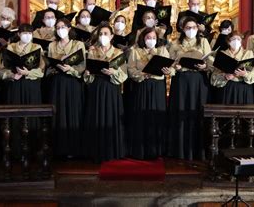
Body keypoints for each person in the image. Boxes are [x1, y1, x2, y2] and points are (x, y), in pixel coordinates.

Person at [167, 16, 212, 161]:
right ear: (182, 29)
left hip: (199, 80)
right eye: (188, 28)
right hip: (181, 81)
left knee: (198, 112)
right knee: (181, 112)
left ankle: (198, 151)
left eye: (193, 28)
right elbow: (170, 62)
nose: (191, 30)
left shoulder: (204, 41)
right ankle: (179, 150)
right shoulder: (175, 44)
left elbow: (210, 61)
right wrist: (176, 66)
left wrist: (205, 66)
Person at [0, 24, 45, 158]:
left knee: (32, 114)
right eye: (24, 33)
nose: (27, 35)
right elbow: (3, 68)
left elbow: (41, 70)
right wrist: (12, 75)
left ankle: (33, 150)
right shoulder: (10, 47)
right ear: (18, 34)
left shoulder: (37, 48)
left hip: (31, 85)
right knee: (15, 113)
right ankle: (15, 150)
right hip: (15, 84)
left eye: (30, 33)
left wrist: (28, 72)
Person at [83, 24, 127, 163]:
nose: (103, 36)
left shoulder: (118, 53)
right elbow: (87, 75)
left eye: (106, 33)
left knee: (111, 116)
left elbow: (124, 74)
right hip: (97, 87)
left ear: (112, 36)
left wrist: (114, 72)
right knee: (96, 116)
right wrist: (88, 73)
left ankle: (113, 150)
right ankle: (95, 151)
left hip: (112, 87)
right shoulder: (92, 52)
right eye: (101, 33)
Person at [127, 27, 173, 160]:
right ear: (143, 39)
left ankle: (156, 150)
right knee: (141, 116)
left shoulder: (162, 50)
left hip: (158, 86)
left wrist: (167, 71)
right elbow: (131, 69)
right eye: (148, 38)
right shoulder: (135, 51)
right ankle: (139, 150)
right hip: (142, 85)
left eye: (153, 38)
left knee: (156, 116)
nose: (151, 40)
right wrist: (142, 74)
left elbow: (169, 67)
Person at [46, 18, 86, 158]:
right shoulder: (52, 45)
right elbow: (49, 64)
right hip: (57, 82)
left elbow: (82, 66)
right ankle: (59, 149)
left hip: (73, 81)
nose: (60, 29)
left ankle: (74, 149)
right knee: (59, 112)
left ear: (69, 28)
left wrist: (71, 69)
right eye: (58, 27)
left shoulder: (78, 44)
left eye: (63, 26)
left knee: (73, 111)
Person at [210, 31, 254, 104]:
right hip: (227, 87)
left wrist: (245, 74)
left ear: (241, 41)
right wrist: (225, 76)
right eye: (233, 39)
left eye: (238, 39)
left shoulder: (248, 53)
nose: (236, 41)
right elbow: (214, 76)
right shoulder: (222, 54)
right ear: (228, 42)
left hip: (243, 87)